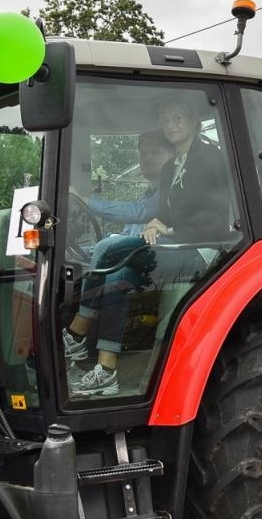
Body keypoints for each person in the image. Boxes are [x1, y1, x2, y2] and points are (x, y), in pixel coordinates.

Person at [62, 92, 232, 397]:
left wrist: (170, 229)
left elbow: (215, 219)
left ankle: (75, 333)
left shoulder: (210, 158)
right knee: (116, 276)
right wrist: (156, 224)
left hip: (201, 249)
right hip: (174, 246)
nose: (171, 125)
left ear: (194, 120)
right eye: (165, 119)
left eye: (177, 118)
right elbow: (163, 213)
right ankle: (106, 372)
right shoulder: (170, 169)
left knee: (105, 250)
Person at [87, 131, 175, 235]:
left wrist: (87, 202)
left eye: (155, 152)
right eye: (144, 154)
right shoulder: (143, 199)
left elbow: (140, 212)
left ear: (174, 155)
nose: (148, 157)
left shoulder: (174, 191)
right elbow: (127, 235)